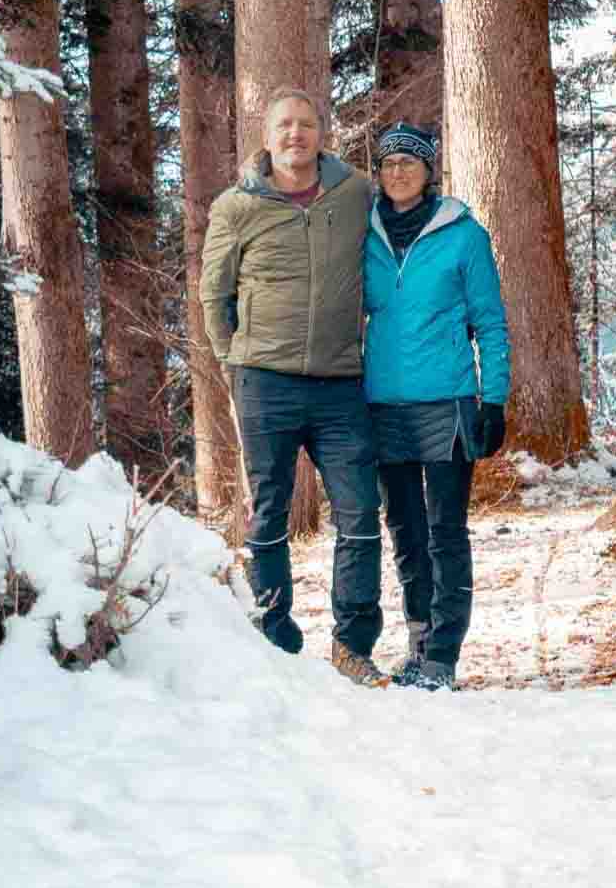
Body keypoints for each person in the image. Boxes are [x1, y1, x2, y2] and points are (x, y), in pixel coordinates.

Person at [199, 88, 385, 685]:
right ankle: (275, 640)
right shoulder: (235, 206)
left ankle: (353, 646)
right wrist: (237, 359)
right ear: (266, 134)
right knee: (269, 512)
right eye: (285, 125)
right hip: (266, 384)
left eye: (307, 124)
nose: (295, 134)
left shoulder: (354, 192)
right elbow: (213, 293)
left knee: (359, 511)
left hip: (340, 385)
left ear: (322, 132)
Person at [363, 122, 510, 691]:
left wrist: (492, 398)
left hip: (447, 403)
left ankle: (443, 657)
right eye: (389, 162)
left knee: (445, 530)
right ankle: (419, 642)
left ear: (429, 171)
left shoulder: (463, 235)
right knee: (404, 529)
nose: (398, 171)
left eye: (410, 161)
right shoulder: (366, 235)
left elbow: (490, 323)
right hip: (382, 405)